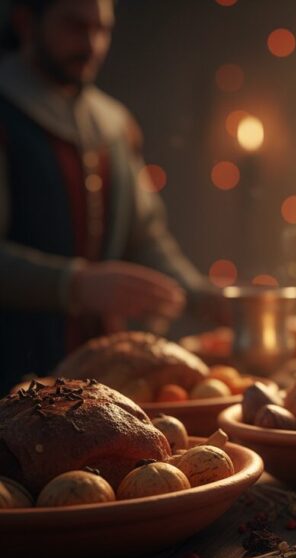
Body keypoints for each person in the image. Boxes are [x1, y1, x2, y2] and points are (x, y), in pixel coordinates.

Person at [0, 0, 204, 389]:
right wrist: (76, 284)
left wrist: (200, 296)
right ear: (27, 23)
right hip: (13, 366)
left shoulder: (114, 125)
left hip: (103, 376)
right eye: (75, 27)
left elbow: (146, 239)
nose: (92, 44)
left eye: (102, 30)